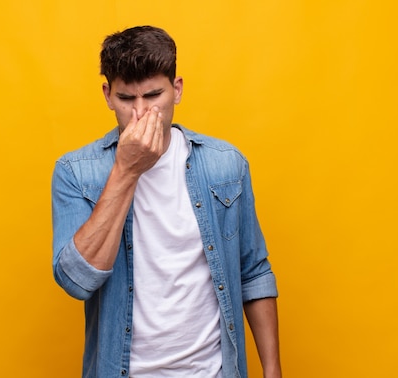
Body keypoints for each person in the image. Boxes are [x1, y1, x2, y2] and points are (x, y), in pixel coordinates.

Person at [52, 25, 281, 378]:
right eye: (127, 99)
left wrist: (272, 370)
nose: (141, 113)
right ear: (107, 95)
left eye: (154, 95)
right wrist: (126, 171)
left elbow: (253, 272)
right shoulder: (76, 173)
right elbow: (77, 281)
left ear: (176, 90)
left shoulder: (226, 164)